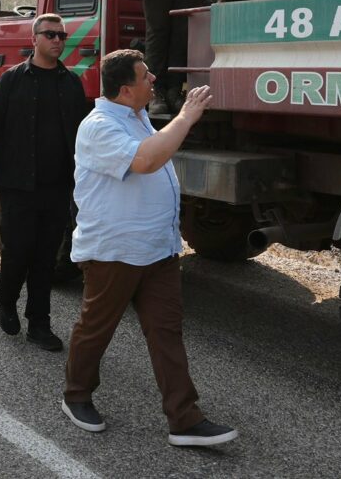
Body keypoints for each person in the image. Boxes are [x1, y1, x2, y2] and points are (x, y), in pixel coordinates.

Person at [61, 50, 237, 447]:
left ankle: (184, 420)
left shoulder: (135, 116)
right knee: (96, 329)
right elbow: (145, 161)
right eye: (146, 77)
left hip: (157, 250)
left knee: (166, 333)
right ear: (125, 90)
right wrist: (186, 117)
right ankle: (76, 396)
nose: (154, 79)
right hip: (114, 252)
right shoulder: (99, 126)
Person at [0, 14, 91, 352]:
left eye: (62, 35)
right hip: (17, 186)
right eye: (51, 34)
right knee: (17, 252)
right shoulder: (12, 81)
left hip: (57, 188)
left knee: (46, 258)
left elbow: (81, 140)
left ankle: (39, 323)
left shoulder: (71, 83)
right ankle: (7, 302)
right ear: (36, 38)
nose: (58, 40)